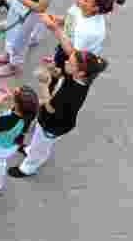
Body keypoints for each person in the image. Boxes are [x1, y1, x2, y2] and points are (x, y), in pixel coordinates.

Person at [8, 50, 107, 179]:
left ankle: (28, 167)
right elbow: (62, 75)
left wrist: (44, 85)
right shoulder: (78, 76)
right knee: (38, 140)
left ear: (80, 73)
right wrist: (53, 68)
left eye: (70, 63)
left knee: (42, 145)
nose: (66, 62)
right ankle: (31, 150)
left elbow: (50, 108)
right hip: (50, 119)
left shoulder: (74, 94)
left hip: (53, 124)